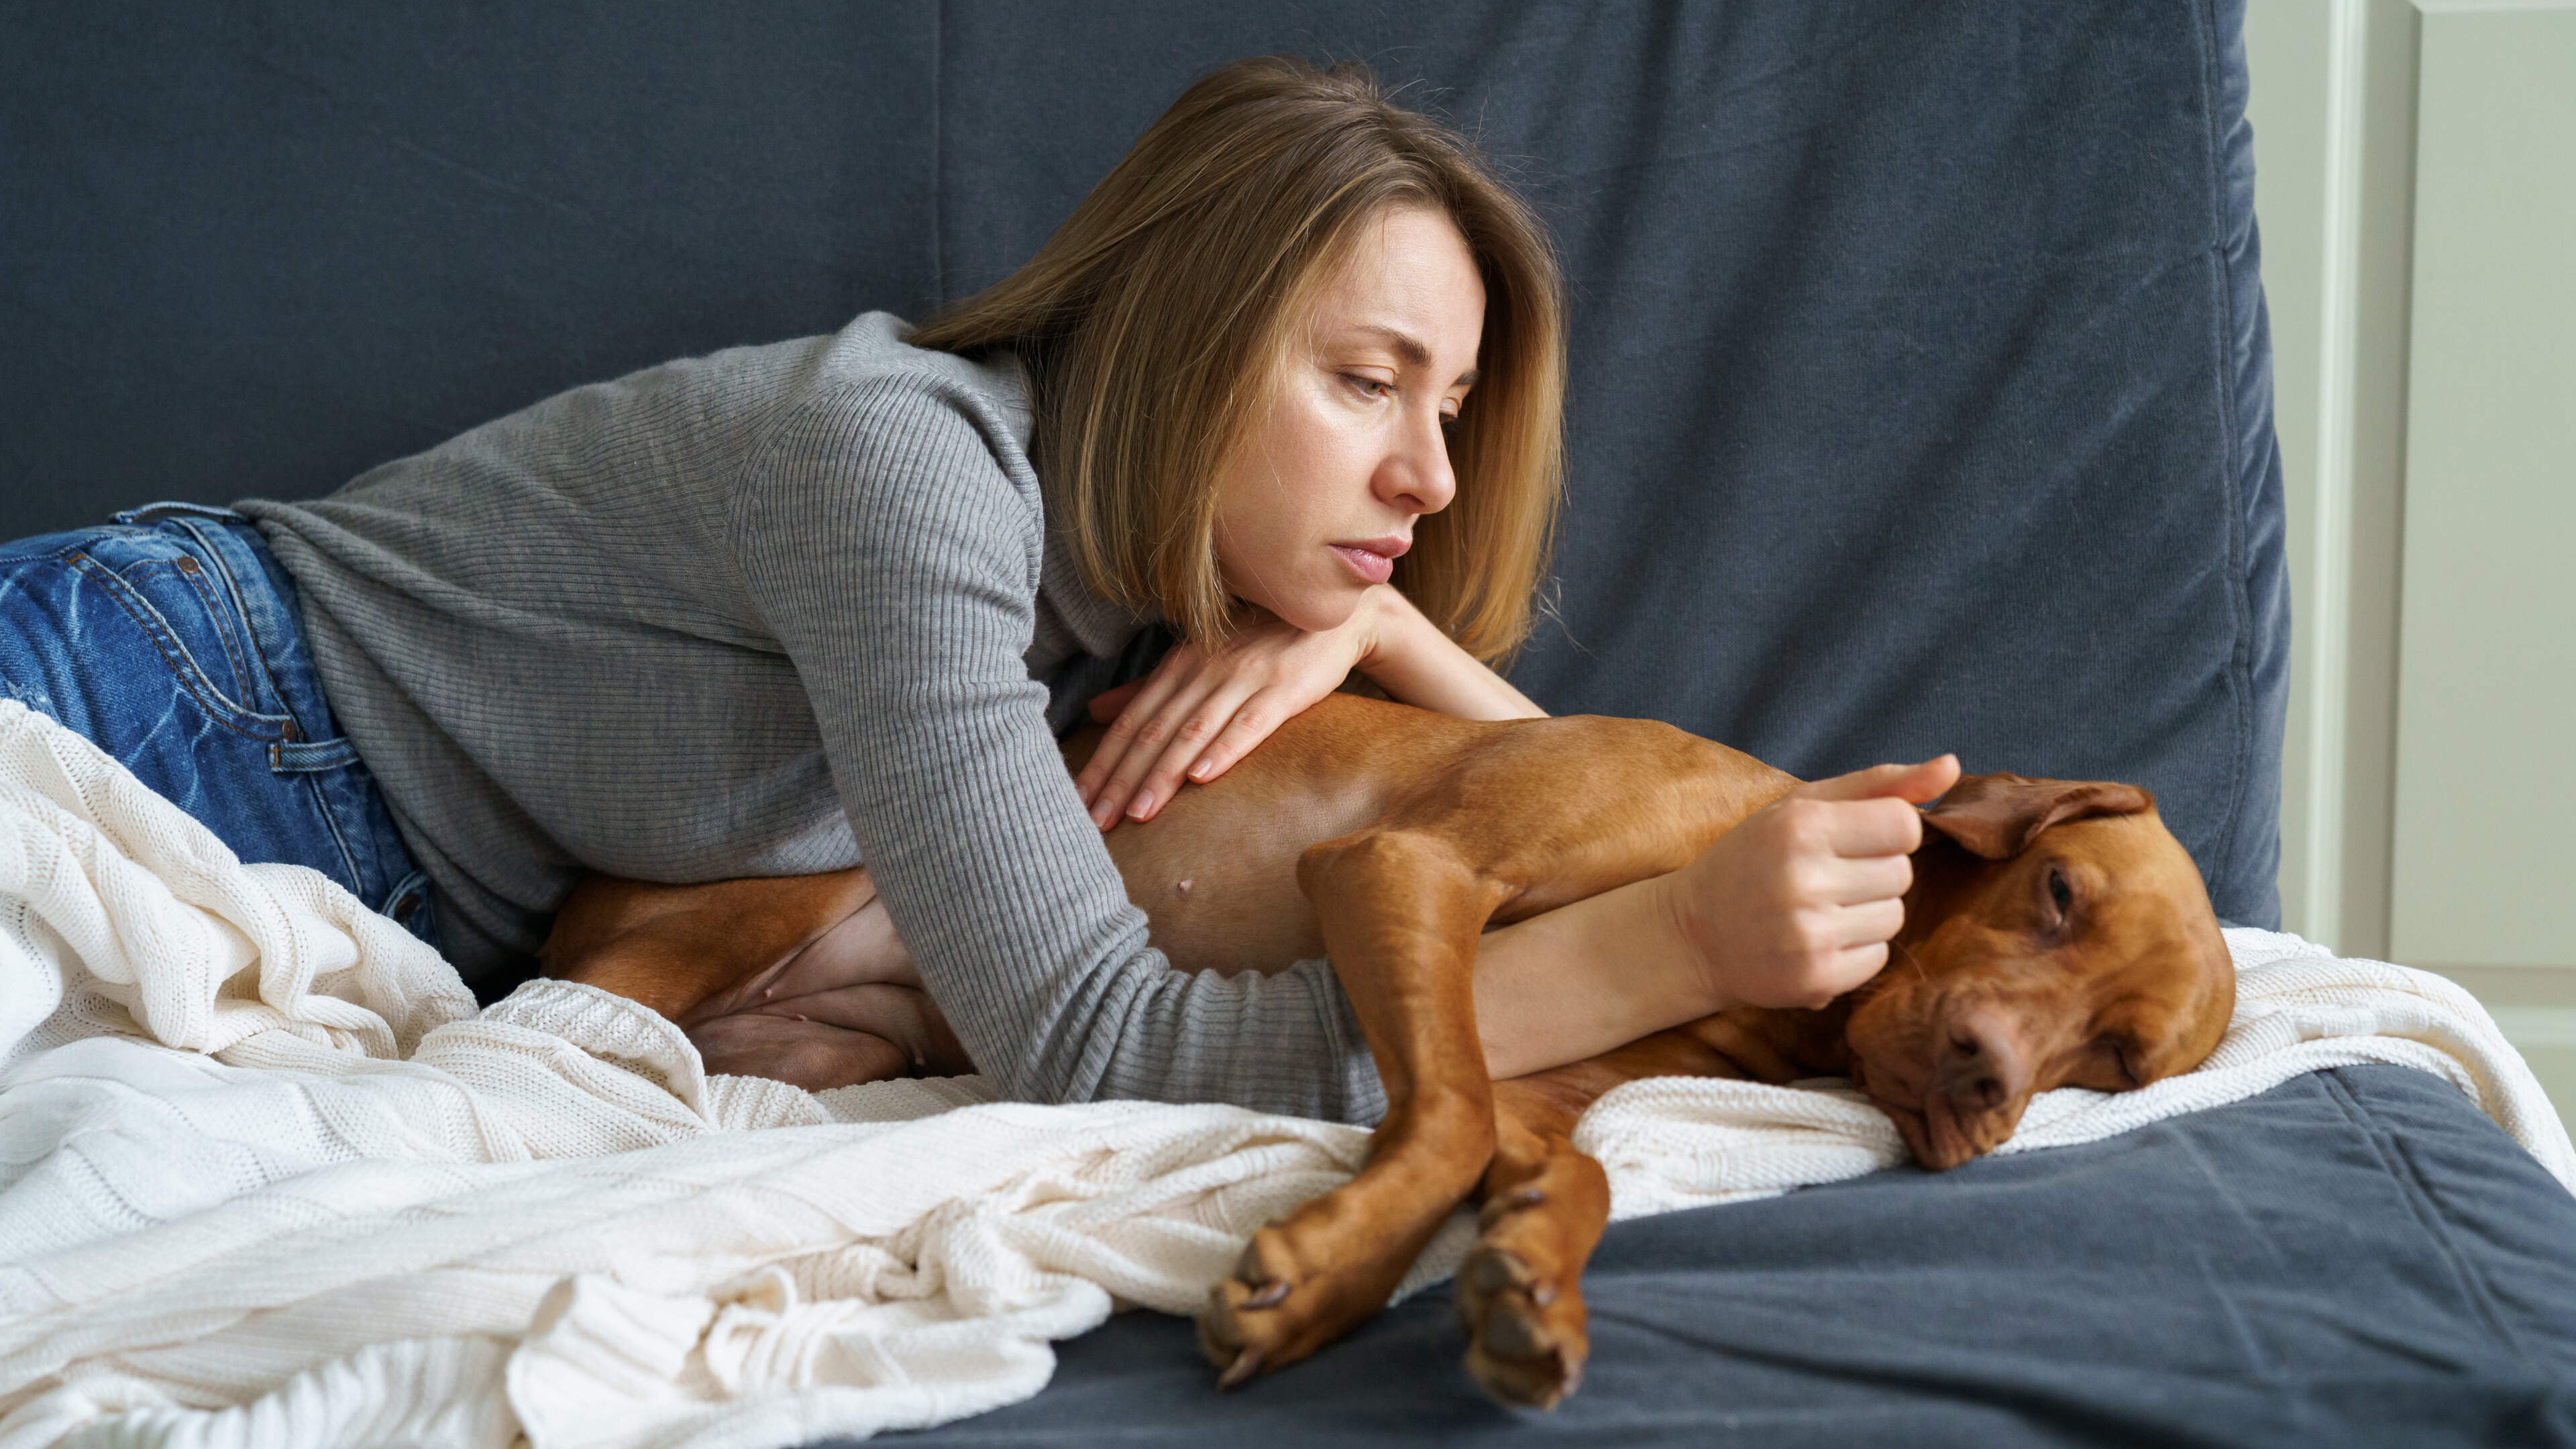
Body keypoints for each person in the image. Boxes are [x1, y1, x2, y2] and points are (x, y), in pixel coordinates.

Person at [0, 56, 1955, 1124]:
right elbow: (1094, 1048)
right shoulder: (904, 472)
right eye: (1367, 384)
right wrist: (1673, 957)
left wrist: (1383, 625)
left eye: (1448, 408)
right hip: (164, 696)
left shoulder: (1124, 610)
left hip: (344, 891)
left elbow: (1572, 811)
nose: (1431, 477)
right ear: (1182, 336)